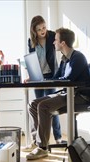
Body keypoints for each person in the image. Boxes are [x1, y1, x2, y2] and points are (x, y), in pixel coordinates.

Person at [26, 27, 90, 160]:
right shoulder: (64, 59)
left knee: (43, 106)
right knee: (33, 104)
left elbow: (68, 79)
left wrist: (52, 80)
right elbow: (56, 77)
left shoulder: (77, 58)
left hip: (78, 96)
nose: (53, 42)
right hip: (67, 94)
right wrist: (39, 79)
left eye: (56, 40)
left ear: (63, 43)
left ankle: (43, 148)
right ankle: (38, 141)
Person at [23, 15, 62, 152]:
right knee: (36, 108)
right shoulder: (31, 41)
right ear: (34, 31)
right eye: (39, 29)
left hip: (51, 76)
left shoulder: (52, 36)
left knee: (51, 107)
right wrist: (30, 76)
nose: (42, 31)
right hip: (38, 77)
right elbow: (32, 61)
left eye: (44, 27)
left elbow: (60, 42)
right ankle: (36, 140)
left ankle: (58, 137)